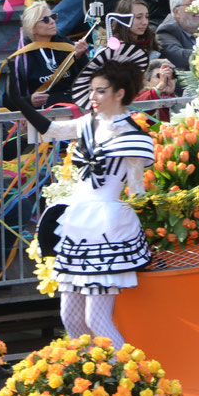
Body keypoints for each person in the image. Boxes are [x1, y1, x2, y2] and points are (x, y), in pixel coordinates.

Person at [32, 53, 152, 347]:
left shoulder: (133, 135)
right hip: (77, 221)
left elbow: (137, 191)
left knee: (97, 319)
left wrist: (152, 226)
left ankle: (128, 378)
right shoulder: (89, 122)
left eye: (101, 90)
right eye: (93, 90)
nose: (93, 96)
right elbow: (52, 131)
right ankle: (89, 372)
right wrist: (23, 105)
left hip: (106, 228)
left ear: (119, 93)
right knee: (70, 317)